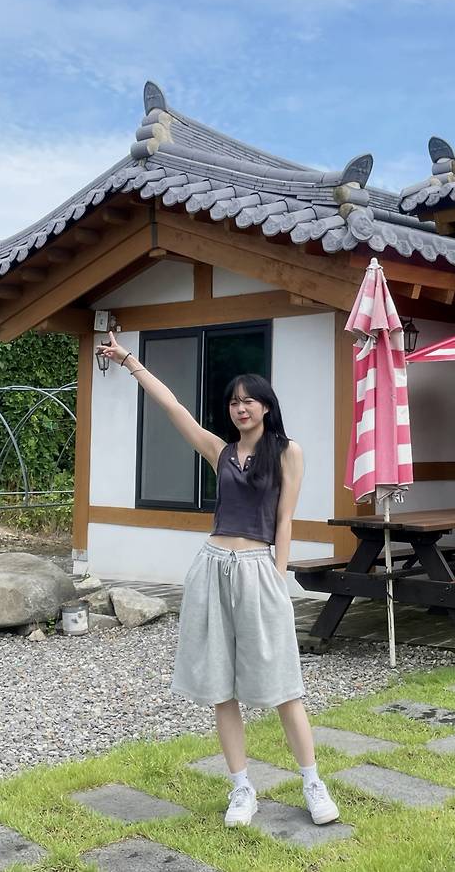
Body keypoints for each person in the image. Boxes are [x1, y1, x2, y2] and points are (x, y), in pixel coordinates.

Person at [97, 333, 339, 828]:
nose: (240, 408)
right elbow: (174, 408)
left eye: (249, 400)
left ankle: (313, 782)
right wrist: (129, 361)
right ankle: (241, 788)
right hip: (211, 567)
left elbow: (285, 519)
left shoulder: (288, 451)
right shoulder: (221, 451)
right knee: (219, 684)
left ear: (266, 406)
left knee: (283, 684)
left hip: (258, 569)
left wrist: (278, 578)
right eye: (233, 402)